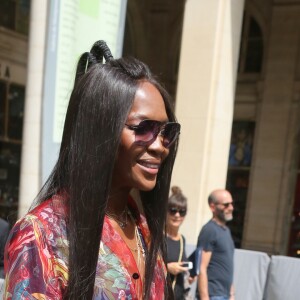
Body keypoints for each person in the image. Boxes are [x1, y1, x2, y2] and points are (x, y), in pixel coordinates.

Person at [3, 40, 181, 299]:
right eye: (144, 128)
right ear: (101, 131)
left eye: (167, 132)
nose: (160, 146)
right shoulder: (42, 236)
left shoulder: (143, 228)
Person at [196, 189, 235, 300]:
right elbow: (201, 267)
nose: (231, 208)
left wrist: (232, 294)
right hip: (213, 295)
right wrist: (205, 297)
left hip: (225, 295)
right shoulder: (209, 230)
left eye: (232, 204)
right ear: (213, 207)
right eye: (226, 205)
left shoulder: (226, 230)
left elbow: (228, 266)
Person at [166, 186, 195, 299]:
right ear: (166, 211)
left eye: (182, 212)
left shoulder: (182, 239)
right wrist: (167, 268)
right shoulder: (158, 237)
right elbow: (145, 265)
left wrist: (189, 276)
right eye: (173, 210)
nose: (177, 215)